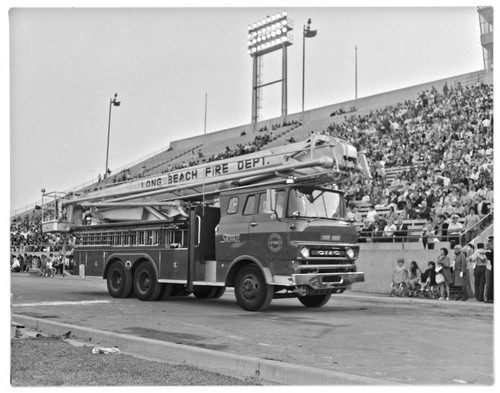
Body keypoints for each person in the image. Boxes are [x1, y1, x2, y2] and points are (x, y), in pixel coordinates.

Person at [484, 236, 493, 303]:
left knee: (489, 284)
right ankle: (487, 297)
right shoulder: (487, 252)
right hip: (489, 268)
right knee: (488, 284)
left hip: (490, 268)